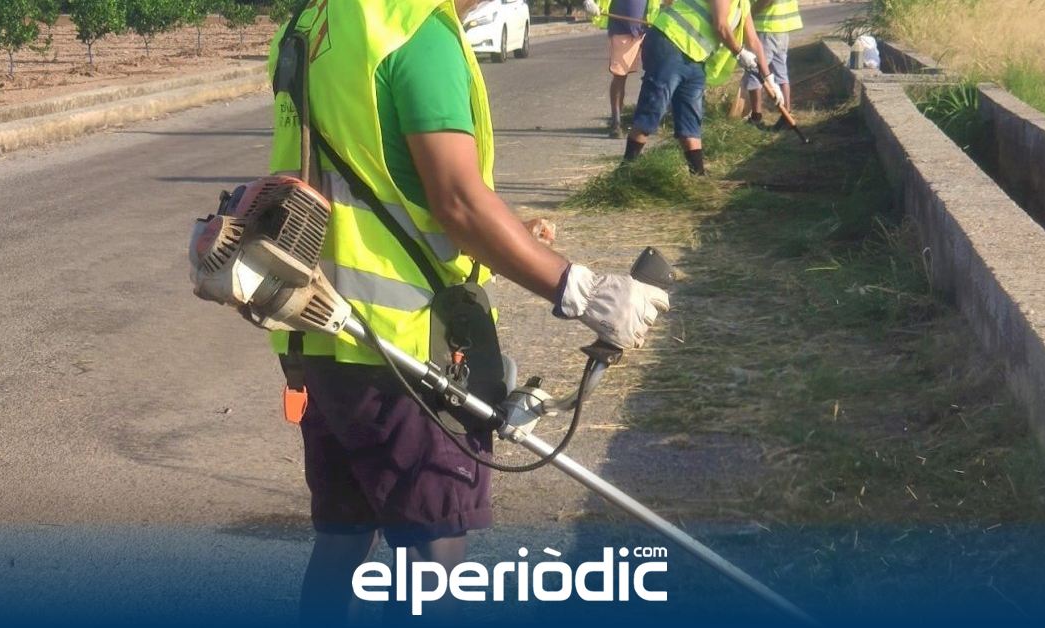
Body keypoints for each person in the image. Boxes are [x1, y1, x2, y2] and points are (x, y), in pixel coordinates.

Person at [266, 0, 670, 623]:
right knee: (432, 558)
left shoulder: (317, 19)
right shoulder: (415, 33)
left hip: (321, 335)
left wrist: (501, 234)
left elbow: (374, 176)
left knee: (344, 542)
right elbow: (456, 201)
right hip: (407, 349)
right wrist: (582, 290)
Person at [622, 0, 783, 174]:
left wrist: (769, 78)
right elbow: (721, 25)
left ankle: (698, 174)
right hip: (670, 42)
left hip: (695, 57)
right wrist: (740, 52)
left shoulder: (742, 3)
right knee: (652, 109)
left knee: (690, 119)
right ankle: (626, 170)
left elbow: (753, 41)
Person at [594, 0, 660, 138]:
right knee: (620, 75)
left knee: (657, 75)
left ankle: (649, 120)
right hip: (622, 29)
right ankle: (616, 123)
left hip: (650, 28)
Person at [744, 0, 802, 127]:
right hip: (782, 28)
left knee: (755, 71)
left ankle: (756, 117)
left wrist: (748, 13)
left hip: (766, 27)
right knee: (781, 73)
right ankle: (786, 116)